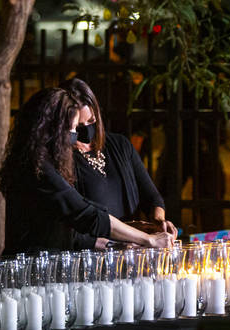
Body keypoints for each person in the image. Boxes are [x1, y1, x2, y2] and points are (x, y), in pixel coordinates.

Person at [0, 87, 176, 255]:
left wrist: (123, 240)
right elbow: (84, 214)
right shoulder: (38, 168)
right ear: (54, 129)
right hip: (30, 271)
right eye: (73, 128)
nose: (76, 135)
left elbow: (70, 229)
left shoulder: (37, 160)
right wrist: (148, 240)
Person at [60, 78, 176, 249]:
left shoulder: (120, 145)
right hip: (94, 255)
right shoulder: (62, 159)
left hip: (133, 249)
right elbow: (74, 226)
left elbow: (151, 197)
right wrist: (120, 241)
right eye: (79, 126)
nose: (86, 130)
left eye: (91, 121)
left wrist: (159, 221)